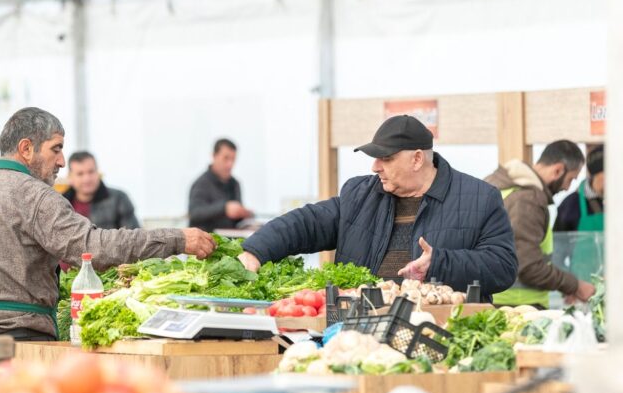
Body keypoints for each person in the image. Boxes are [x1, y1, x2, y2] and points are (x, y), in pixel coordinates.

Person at [0, 107, 216, 341]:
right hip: (20, 345)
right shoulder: (37, 197)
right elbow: (93, 248)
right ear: (26, 148)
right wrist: (176, 239)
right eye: (56, 148)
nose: (62, 161)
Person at [238, 115, 518, 300]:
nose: (375, 166)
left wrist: (440, 263)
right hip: (359, 332)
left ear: (417, 159)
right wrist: (256, 250)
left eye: (385, 158)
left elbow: (503, 267)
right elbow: (308, 222)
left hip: (437, 335)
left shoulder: (480, 198)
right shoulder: (361, 194)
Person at [484, 140, 595, 308]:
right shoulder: (527, 201)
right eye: (571, 179)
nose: (567, 188)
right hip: (517, 309)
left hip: (495, 302)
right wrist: (576, 285)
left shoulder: (502, 187)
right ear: (558, 170)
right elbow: (528, 267)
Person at [554, 145, 604, 282]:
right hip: (582, 291)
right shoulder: (570, 205)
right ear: (596, 174)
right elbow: (557, 255)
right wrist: (569, 286)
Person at [63, 151, 140, 230]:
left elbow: (134, 237)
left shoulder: (119, 199)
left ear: (98, 172)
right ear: (70, 177)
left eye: (91, 172)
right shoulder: (61, 203)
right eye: (80, 174)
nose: (87, 179)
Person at [188, 138, 253, 232]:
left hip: (231, 241)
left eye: (233, 159)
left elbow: (238, 220)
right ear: (214, 156)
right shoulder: (201, 184)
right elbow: (195, 213)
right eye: (226, 158)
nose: (230, 164)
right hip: (205, 241)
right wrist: (224, 208)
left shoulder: (235, 184)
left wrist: (245, 214)